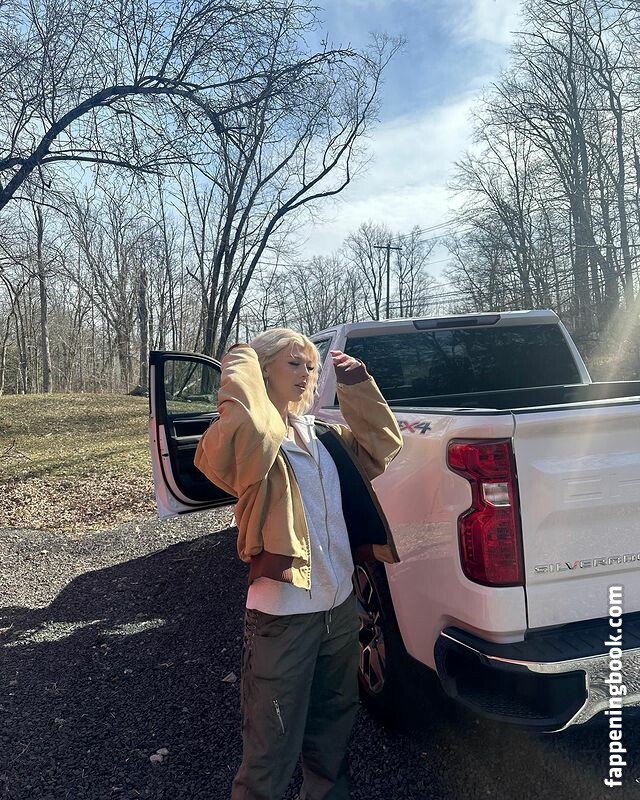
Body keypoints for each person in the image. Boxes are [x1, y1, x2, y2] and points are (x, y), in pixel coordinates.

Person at [193, 327, 403, 800]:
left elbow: (382, 447)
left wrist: (358, 386)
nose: (306, 373)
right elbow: (253, 427)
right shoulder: (247, 443)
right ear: (262, 368)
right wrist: (240, 357)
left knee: (332, 733)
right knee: (270, 750)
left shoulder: (322, 434)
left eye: (310, 365)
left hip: (339, 609)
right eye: (293, 362)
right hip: (283, 616)